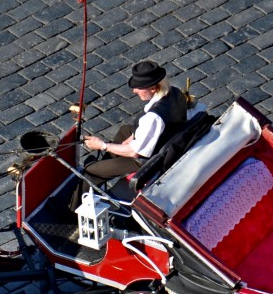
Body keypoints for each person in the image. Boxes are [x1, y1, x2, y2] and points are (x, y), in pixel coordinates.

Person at [71, 60, 196, 210]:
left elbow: (134, 152)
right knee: (125, 130)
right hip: (167, 137)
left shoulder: (153, 118)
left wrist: (102, 146)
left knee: (91, 170)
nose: (134, 91)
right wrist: (132, 136)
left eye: (139, 88)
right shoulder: (174, 92)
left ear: (154, 88)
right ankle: (106, 166)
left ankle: (74, 209)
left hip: (147, 159)